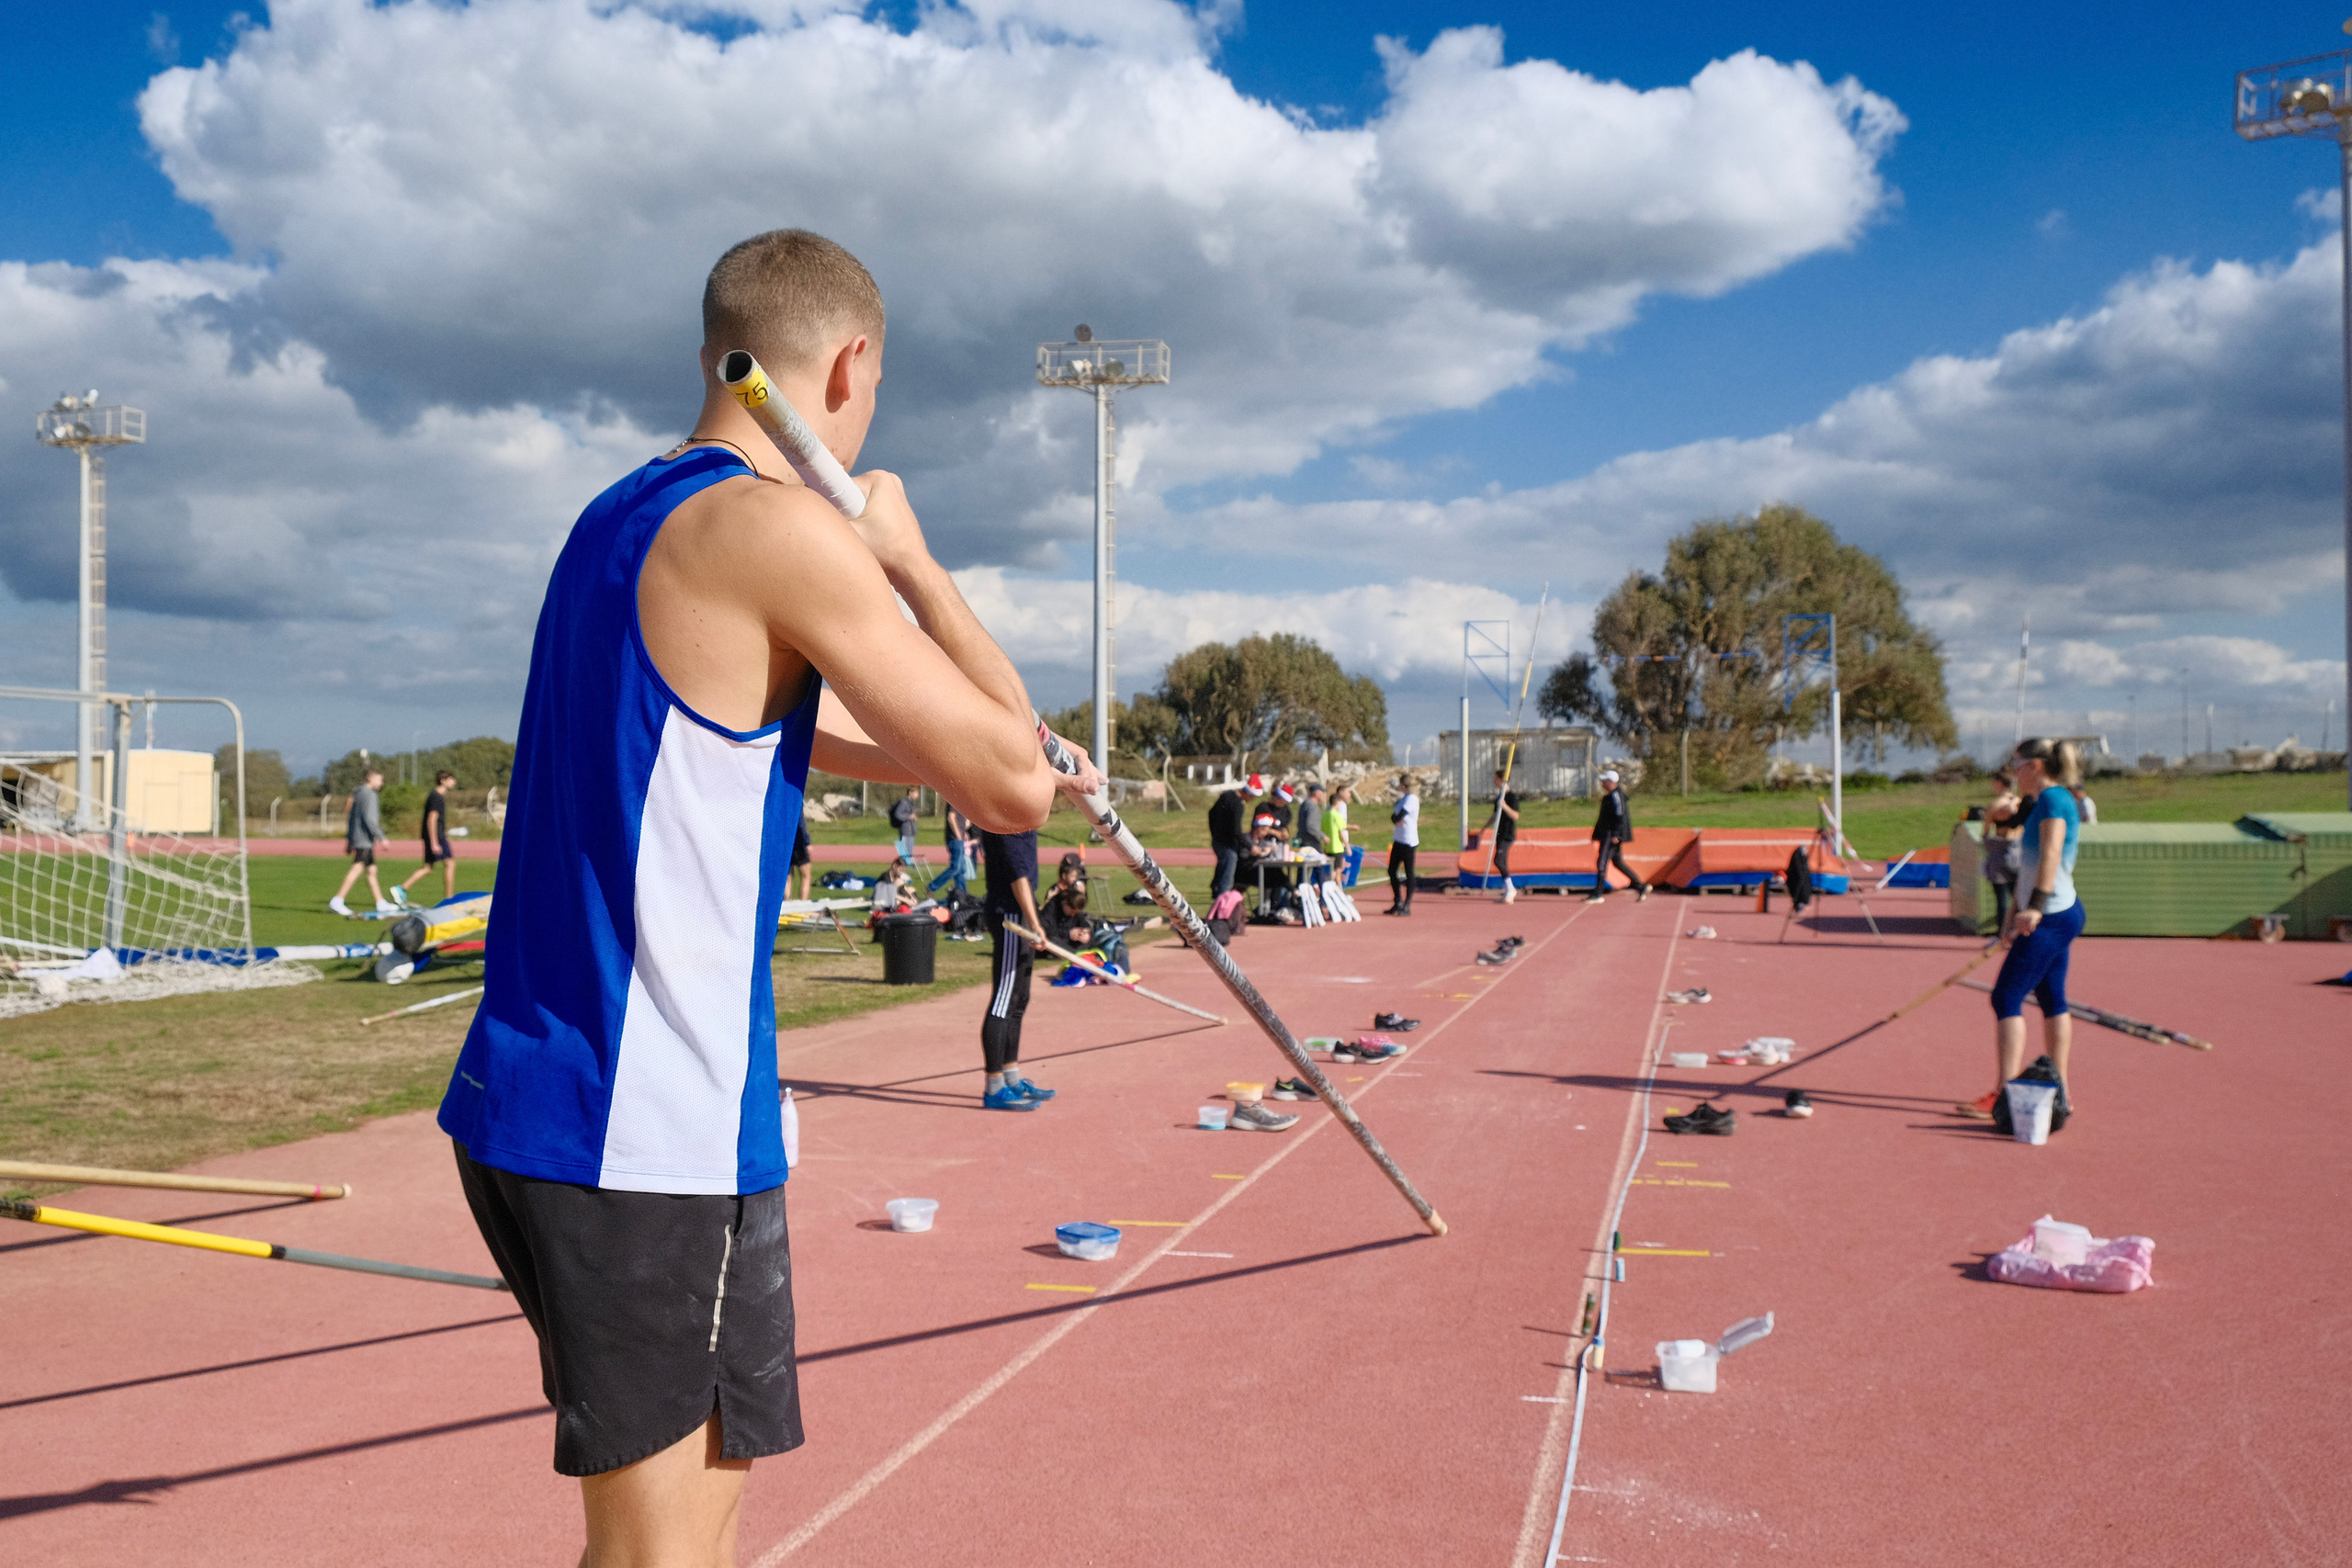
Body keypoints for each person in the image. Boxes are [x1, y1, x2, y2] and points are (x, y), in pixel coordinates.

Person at [434, 230, 1097, 1564]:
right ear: (850, 364)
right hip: (635, 1118)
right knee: (657, 1552)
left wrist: (981, 734)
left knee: (712, 1515)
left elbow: (869, 739)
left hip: (612, 1106)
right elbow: (1015, 781)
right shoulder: (778, 532)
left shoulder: (620, 517)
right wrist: (907, 558)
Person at [1958, 738, 2086, 1125]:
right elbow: (2027, 869)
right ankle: (2059, 1092)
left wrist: (2035, 908)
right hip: (2050, 912)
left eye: (2017, 763)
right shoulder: (2038, 803)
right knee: (2051, 998)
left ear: (2036, 766)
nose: (2013, 771)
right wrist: (2013, 915)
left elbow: (2050, 854)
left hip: (2053, 914)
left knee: (2006, 997)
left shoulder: (2053, 800)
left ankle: (2003, 1093)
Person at [980, 826, 1055, 1110]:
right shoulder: (1008, 823)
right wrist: (1033, 923)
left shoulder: (1023, 822)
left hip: (1021, 911)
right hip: (1010, 913)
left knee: (1019, 999)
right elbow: (1017, 877)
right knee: (1003, 1000)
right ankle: (994, 1086)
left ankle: (1011, 1077)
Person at [329, 768, 392, 916]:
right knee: (357, 867)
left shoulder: (357, 793)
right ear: (370, 778)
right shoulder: (370, 795)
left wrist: (350, 839)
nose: (381, 783)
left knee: (371, 870)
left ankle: (381, 903)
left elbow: (351, 817)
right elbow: (370, 819)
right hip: (364, 839)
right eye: (379, 779)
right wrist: (381, 837)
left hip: (359, 837)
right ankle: (338, 900)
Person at [394, 770, 460, 907]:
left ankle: (401, 888)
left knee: (428, 867)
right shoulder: (437, 797)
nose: (454, 782)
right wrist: (435, 842)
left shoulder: (433, 795)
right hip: (437, 837)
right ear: (443, 781)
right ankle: (449, 899)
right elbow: (432, 819)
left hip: (433, 837)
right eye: (451, 779)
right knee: (450, 864)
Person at [1589, 768, 1648, 903]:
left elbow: (1620, 816)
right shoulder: (1611, 796)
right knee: (1618, 862)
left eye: (1604, 781)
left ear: (1611, 782)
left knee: (1602, 862)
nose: (1602, 784)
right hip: (1609, 834)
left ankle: (1598, 894)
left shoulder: (1616, 796)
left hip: (1611, 835)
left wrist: (1616, 834)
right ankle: (1640, 886)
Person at [1976, 769, 2024, 937]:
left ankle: (2001, 932)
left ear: (1999, 784)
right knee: (2016, 894)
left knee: (2001, 896)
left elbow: (1986, 830)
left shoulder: (1995, 805)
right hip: (2018, 849)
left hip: (2000, 850)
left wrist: (1987, 844)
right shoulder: (2019, 802)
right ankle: (2020, 930)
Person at [1207, 774, 1263, 899]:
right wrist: (1250, 846)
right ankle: (1223, 907)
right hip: (1228, 845)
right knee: (1227, 879)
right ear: (1249, 793)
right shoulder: (1238, 805)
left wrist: (1214, 833)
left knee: (1221, 870)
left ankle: (1216, 895)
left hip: (1218, 841)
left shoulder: (1226, 796)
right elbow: (1237, 831)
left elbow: (1211, 814)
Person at [1485, 769, 1521, 904]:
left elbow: (1516, 816)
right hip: (1499, 834)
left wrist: (1505, 806)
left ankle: (1511, 889)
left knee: (1498, 861)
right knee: (1502, 862)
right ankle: (1507, 890)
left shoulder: (1511, 797)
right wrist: (1483, 829)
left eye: (1496, 779)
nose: (1494, 782)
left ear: (1502, 780)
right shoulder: (1499, 797)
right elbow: (1495, 816)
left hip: (1508, 834)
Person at [1386, 773, 1419, 915]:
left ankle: (1407, 905)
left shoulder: (1411, 799)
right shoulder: (1402, 799)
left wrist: (1396, 818)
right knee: (1392, 870)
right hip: (1399, 839)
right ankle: (1397, 901)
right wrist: (1395, 819)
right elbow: (1394, 817)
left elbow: (1400, 816)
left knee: (1408, 872)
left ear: (1404, 785)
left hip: (1408, 840)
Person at [926, 800, 973, 897]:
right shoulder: (954, 799)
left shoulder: (962, 801)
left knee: (961, 870)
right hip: (955, 840)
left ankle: (962, 894)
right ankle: (931, 887)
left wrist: (964, 828)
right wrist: (959, 835)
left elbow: (964, 821)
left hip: (959, 839)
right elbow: (951, 817)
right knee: (955, 868)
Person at [889, 785, 921, 864]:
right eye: (916, 793)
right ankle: (900, 868)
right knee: (904, 854)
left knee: (909, 853)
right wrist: (909, 817)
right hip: (905, 831)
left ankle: (907, 864)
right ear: (910, 793)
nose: (918, 795)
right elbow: (897, 814)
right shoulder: (904, 802)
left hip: (911, 831)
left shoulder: (911, 803)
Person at [789, 815, 815, 902]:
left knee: (788, 875)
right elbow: (800, 822)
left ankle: (786, 902)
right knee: (806, 875)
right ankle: (803, 904)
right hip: (797, 840)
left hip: (783, 839)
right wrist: (806, 842)